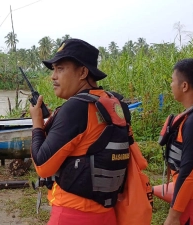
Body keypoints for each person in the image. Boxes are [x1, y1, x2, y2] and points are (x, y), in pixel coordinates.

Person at [29, 38, 132, 225]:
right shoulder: (115, 104)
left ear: (83, 72)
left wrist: (37, 122)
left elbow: (43, 166)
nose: (53, 77)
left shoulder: (75, 108)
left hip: (72, 214)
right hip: (107, 214)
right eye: (53, 70)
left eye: (60, 69)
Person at [160, 58, 193, 225]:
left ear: (184, 86)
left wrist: (174, 215)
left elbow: (189, 173)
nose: (171, 85)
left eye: (173, 80)